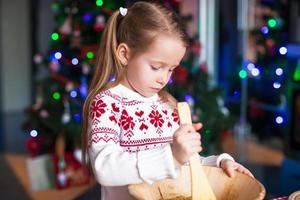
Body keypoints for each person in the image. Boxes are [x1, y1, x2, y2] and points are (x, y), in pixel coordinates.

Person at [82, 2, 253, 200]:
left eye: (171, 69)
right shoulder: (108, 104)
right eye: (156, 67)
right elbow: (105, 169)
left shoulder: (167, 105)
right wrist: (172, 156)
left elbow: (187, 164)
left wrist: (218, 162)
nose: (164, 78)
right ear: (125, 54)